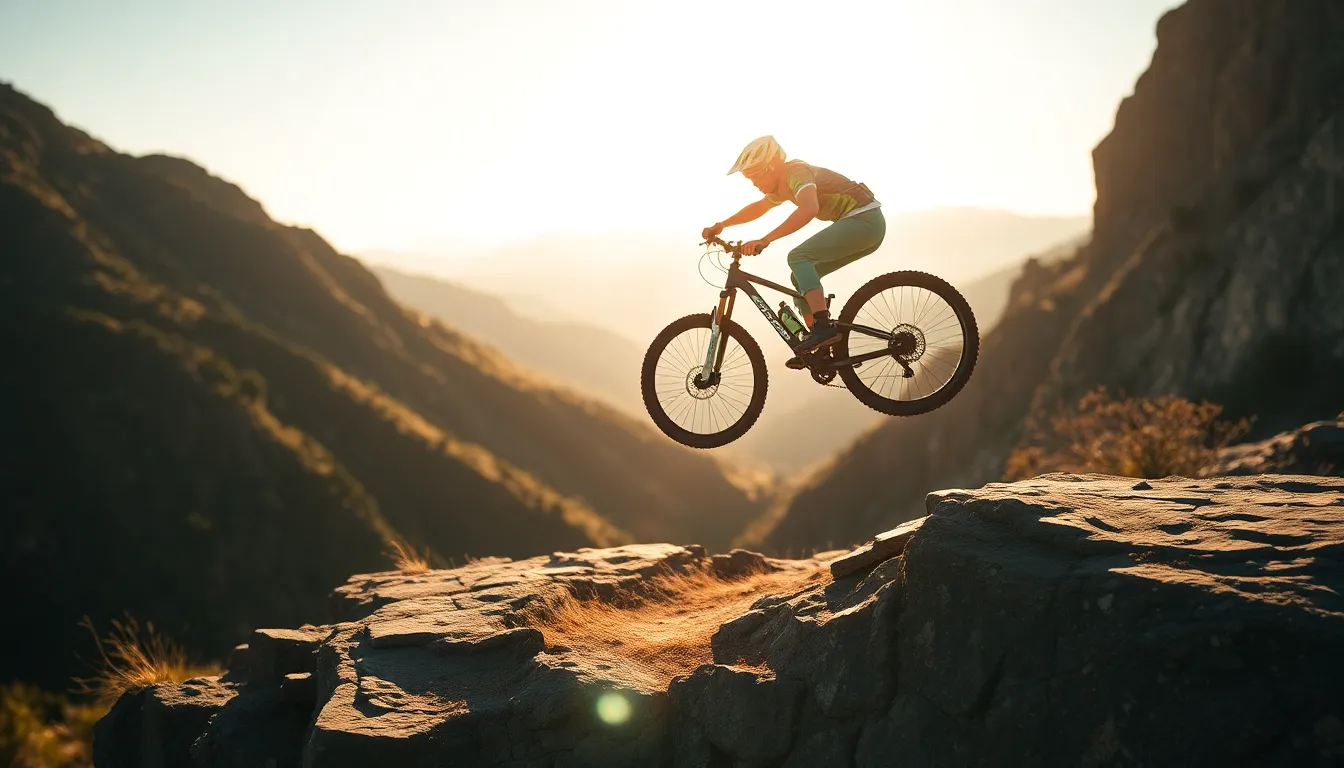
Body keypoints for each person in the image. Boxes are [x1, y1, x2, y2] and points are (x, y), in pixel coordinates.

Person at [702, 135, 885, 362]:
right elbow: (759, 208)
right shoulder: (781, 186)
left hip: (865, 221)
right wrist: (721, 226)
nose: (754, 183)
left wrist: (766, 239)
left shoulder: (796, 173)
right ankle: (821, 346)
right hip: (863, 227)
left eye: (755, 176)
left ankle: (823, 326)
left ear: (771, 166)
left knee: (798, 257)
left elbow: (809, 208)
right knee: (800, 280)